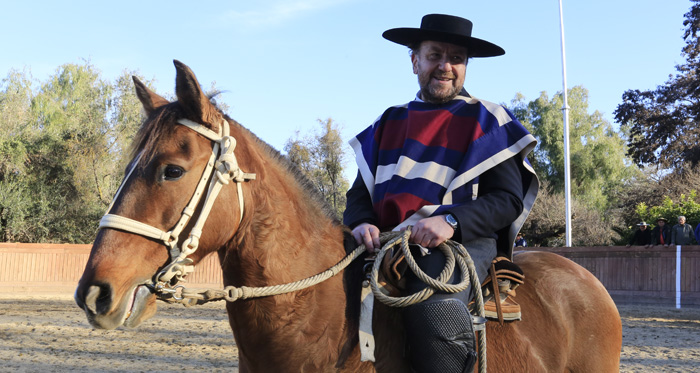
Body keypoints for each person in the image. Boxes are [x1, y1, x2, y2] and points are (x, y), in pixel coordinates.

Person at [343, 14, 538, 373]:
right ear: (415, 60)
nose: (445, 66)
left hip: (460, 241)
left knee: (436, 309)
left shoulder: (491, 121)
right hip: (384, 240)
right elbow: (358, 194)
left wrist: (450, 220)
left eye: (457, 58)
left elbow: (507, 200)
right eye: (435, 55)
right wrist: (360, 222)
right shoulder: (388, 121)